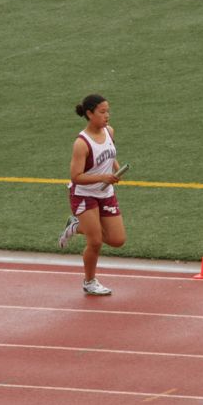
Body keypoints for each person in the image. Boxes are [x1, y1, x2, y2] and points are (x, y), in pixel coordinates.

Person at [58, 94, 126, 296]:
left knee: (117, 240)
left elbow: (110, 152)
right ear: (89, 114)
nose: (107, 116)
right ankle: (89, 281)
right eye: (102, 112)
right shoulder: (81, 143)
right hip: (84, 194)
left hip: (105, 193)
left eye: (108, 111)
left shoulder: (109, 131)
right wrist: (103, 177)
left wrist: (115, 168)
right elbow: (76, 176)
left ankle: (76, 226)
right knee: (95, 241)